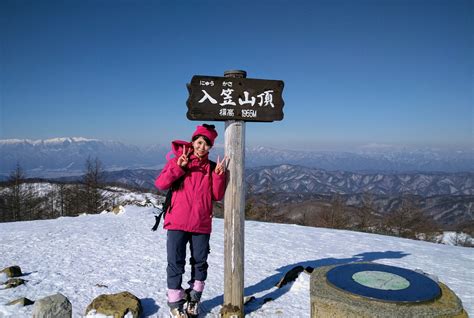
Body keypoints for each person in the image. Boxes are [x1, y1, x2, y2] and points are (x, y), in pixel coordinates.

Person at [155, 124, 227, 318]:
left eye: (207, 144)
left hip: (201, 223)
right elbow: (160, 184)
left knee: (200, 263)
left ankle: (194, 299)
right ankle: (175, 302)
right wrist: (178, 166)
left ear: (210, 147)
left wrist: (219, 176)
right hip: (177, 222)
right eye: (199, 142)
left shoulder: (212, 167)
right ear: (193, 142)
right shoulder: (180, 161)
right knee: (175, 263)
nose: (202, 147)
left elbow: (217, 195)